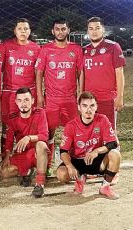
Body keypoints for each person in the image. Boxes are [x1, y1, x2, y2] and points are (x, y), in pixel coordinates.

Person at [35, 18, 83, 168]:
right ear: (52, 31)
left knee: (75, 131)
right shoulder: (46, 49)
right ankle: (47, 165)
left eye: (63, 29)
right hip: (52, 99)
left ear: (68, 30)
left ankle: (75, 163)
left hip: (70, 99)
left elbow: (80, 72)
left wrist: (80, 93)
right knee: (48, 132)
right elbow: (39, 73)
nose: (60, 32)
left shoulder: (76, 49)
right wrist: (40, 96)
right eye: (57, 29)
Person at [56, 91, 121, 200]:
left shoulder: (102, 119)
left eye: (92, 106)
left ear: (96, 107)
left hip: (96, 160)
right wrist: (70, 166)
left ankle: (105, 187)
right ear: (79, 107)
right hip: (78, 161)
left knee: (115, 154)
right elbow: (63, 151)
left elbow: (113, 143)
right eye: (84, 106)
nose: (88, 110)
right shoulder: (71, 125)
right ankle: (80, 179)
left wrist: (96, 151)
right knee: (61, 174)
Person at [0, 87, 49, 198]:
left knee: (42, 144)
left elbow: (45, 136)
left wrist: (29, 138)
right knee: (3, 172)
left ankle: (40, 184)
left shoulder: (40, 113)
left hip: (37, 154)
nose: (23, 104)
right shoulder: (12, 118)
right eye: (20, 100)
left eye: (26, 100)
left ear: (32, 100)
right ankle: (27, 172)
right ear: (16, 102)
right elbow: (9, 140)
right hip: (23, 154)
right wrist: (7, 156)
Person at [1, 18, 41, 154]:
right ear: (15, 31)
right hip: (10, 91)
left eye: (26, 29)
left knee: (27, 124)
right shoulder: (6, 46)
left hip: (29, 92)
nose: (23, 31)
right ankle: (4, 157)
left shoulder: (36, 48)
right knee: (7, 126)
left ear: (30, 31)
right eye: (20, 28)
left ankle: (27, 157)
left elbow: (38, 72)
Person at [82, 17, 125, 130]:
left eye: (97, 28)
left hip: (107, 98)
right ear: (87, 31)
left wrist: (120, 97)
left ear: (103, 30)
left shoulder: (113, 47)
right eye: (91, 28)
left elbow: (119, 73)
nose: (94, 31)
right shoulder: (84, 50)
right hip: (89, 100)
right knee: (91, 131)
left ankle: (115, 148)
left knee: (109, 131)